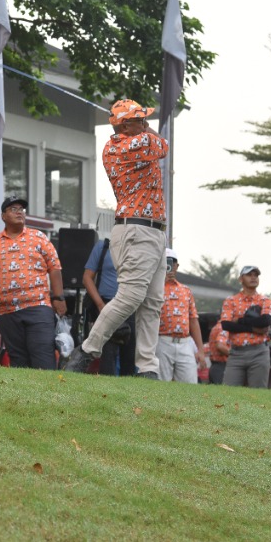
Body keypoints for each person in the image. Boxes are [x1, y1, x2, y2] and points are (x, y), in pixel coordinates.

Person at [64, 99, 168, 379]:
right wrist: (146, 129)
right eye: (139, 120)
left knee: (153, 301)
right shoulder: (125, 145)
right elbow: (163, 146)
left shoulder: (131, 141)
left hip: (153, 231)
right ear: (124, 125)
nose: (145, 124)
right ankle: (87, 350)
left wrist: (141, 124)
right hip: (136, 229)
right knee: (131, 296)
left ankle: (147, 367)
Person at [0, 197, 64, 369]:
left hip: (38, 306)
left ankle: (47, 388)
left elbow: (55, 267)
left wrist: (58, 297)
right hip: (6, 312)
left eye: (21, 209)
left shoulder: (38, 237)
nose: (19, 212)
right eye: (13, 209)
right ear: (3, 216)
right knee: (18, 361)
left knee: (43, 357)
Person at [81, 236, 137, 377]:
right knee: (107, 358)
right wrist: (101, 305)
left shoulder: (139, 248)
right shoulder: (103, 246)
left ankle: (129, 388)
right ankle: (106, 386)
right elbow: (87, 278)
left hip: (131, 308)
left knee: (130, 358)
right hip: (106, 305)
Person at [218, 266, 271, 388]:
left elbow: (266, 321)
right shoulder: (231, 300)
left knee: (258, 394)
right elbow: (226, 325)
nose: (253, 277)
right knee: (228, 391)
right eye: (249, 275)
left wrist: (239, 320)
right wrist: (253, 328)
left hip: (259, 352)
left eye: (256, 275)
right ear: (240, 279)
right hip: (236, 353)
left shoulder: (265, 300)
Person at [157, 249, 204, 383]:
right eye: (166, 262)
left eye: (172, 263)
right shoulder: (154, 288)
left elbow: (193, 320)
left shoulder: (186, 290)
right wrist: (161, 281)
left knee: (190, 384)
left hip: (185, 342)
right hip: (162, 340)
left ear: (177, 266)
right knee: (161, 384)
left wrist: (200, 350)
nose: (169, 266)